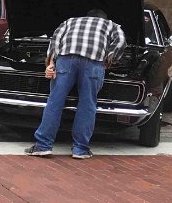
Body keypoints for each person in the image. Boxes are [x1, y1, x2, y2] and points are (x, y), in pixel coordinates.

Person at [25, 9, 126, 160]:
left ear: (86, 16)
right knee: (87, 104)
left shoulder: (70, 21)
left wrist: (51, 63)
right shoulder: (111, 25)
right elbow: (120, 42)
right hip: (93, 63)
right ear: (104, 18)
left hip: (66, 60)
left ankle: (43, 146)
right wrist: (109, 59)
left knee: (55, 101)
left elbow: (55, 40)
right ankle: (80, 149)